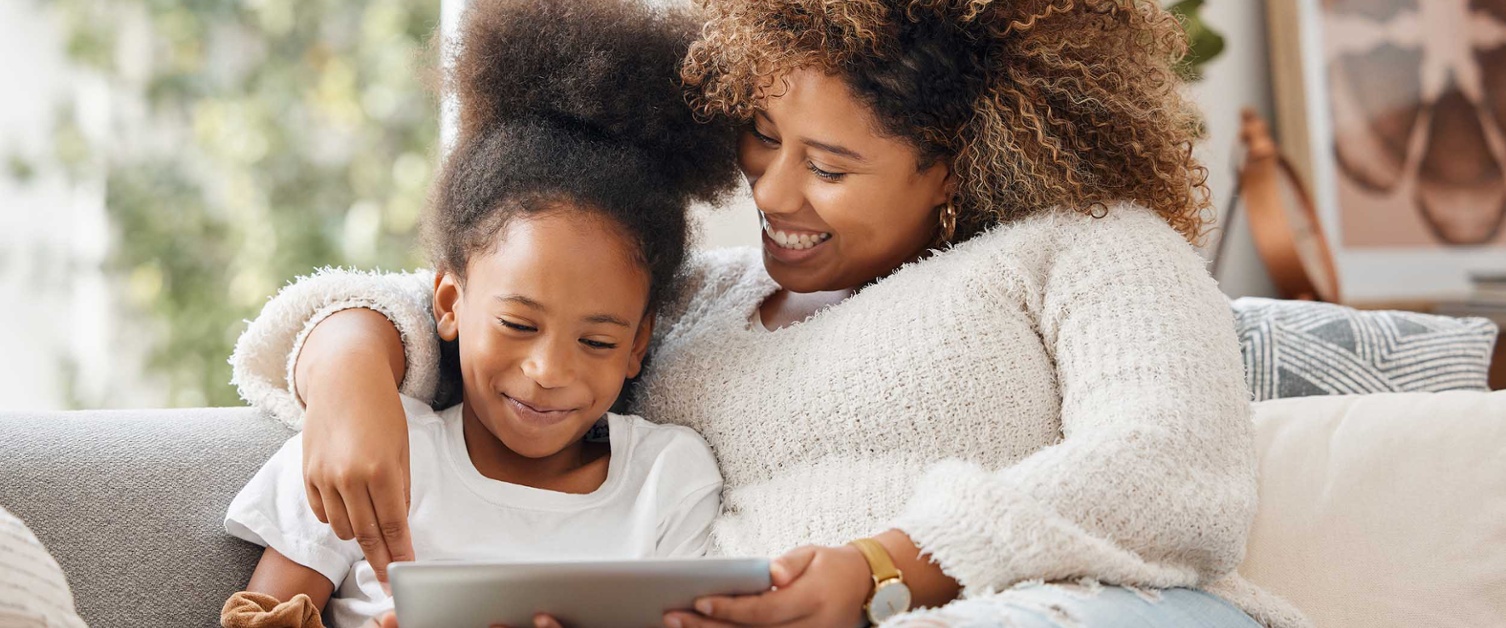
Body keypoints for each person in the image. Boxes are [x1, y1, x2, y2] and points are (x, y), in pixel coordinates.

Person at [231, 1, 1311, 626]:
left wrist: (885, 565)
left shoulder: (1088, 244)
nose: (774, 195)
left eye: (830, 167)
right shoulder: (704, 297)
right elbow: (498, 300)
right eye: (761, 138)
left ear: (953, 166)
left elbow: (1175, 471)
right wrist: (347, 368)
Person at [219, 1, 736, 626]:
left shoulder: (667, 480)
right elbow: (261, 616)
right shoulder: (380, 450)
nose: (549, 370)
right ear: (448, 304)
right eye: (519, 325)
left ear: (638, 343)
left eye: (597, 341)